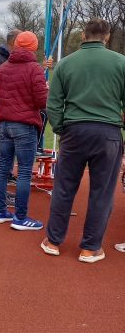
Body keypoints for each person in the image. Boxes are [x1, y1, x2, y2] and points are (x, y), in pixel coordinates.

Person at [41, 18, 125, 263]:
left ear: (83, 35)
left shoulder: (66, 64)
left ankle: (53, 241)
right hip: (108, 133)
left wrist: (61, 128)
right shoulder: (121, 62)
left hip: (74, 131)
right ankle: (90, 248)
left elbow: (53, 103)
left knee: (64, 188)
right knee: (102, 192)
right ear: (107, 37)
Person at [0, 31, 48, 230]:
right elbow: (41, 101)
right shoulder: (34, 68)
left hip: (4, 124)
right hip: (24, 124)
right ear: (33, 48)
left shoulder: (3, 67)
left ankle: (0, 211)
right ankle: (20, 217)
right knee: (24, 171)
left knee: (3, 168)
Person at [0, 30, 21, 181]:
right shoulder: (0, 61)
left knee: (7, 144)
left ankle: (3, 173)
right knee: (5, 144)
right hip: (2, 109)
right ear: (13, 41)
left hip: (6, 108)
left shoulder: (6, 59)